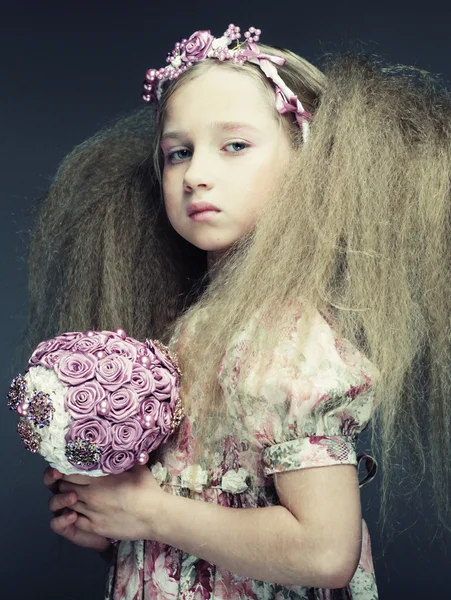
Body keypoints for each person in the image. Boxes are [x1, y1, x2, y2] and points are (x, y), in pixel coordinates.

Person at [28, 21, 451, 600]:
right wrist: (111, 522)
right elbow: (201, 510)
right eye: (178, 152)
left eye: (234, 145)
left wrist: (150, 514)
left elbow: (325, 552)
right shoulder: (191, 327)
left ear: (308, 168)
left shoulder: (292, 343)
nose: (196, 174)